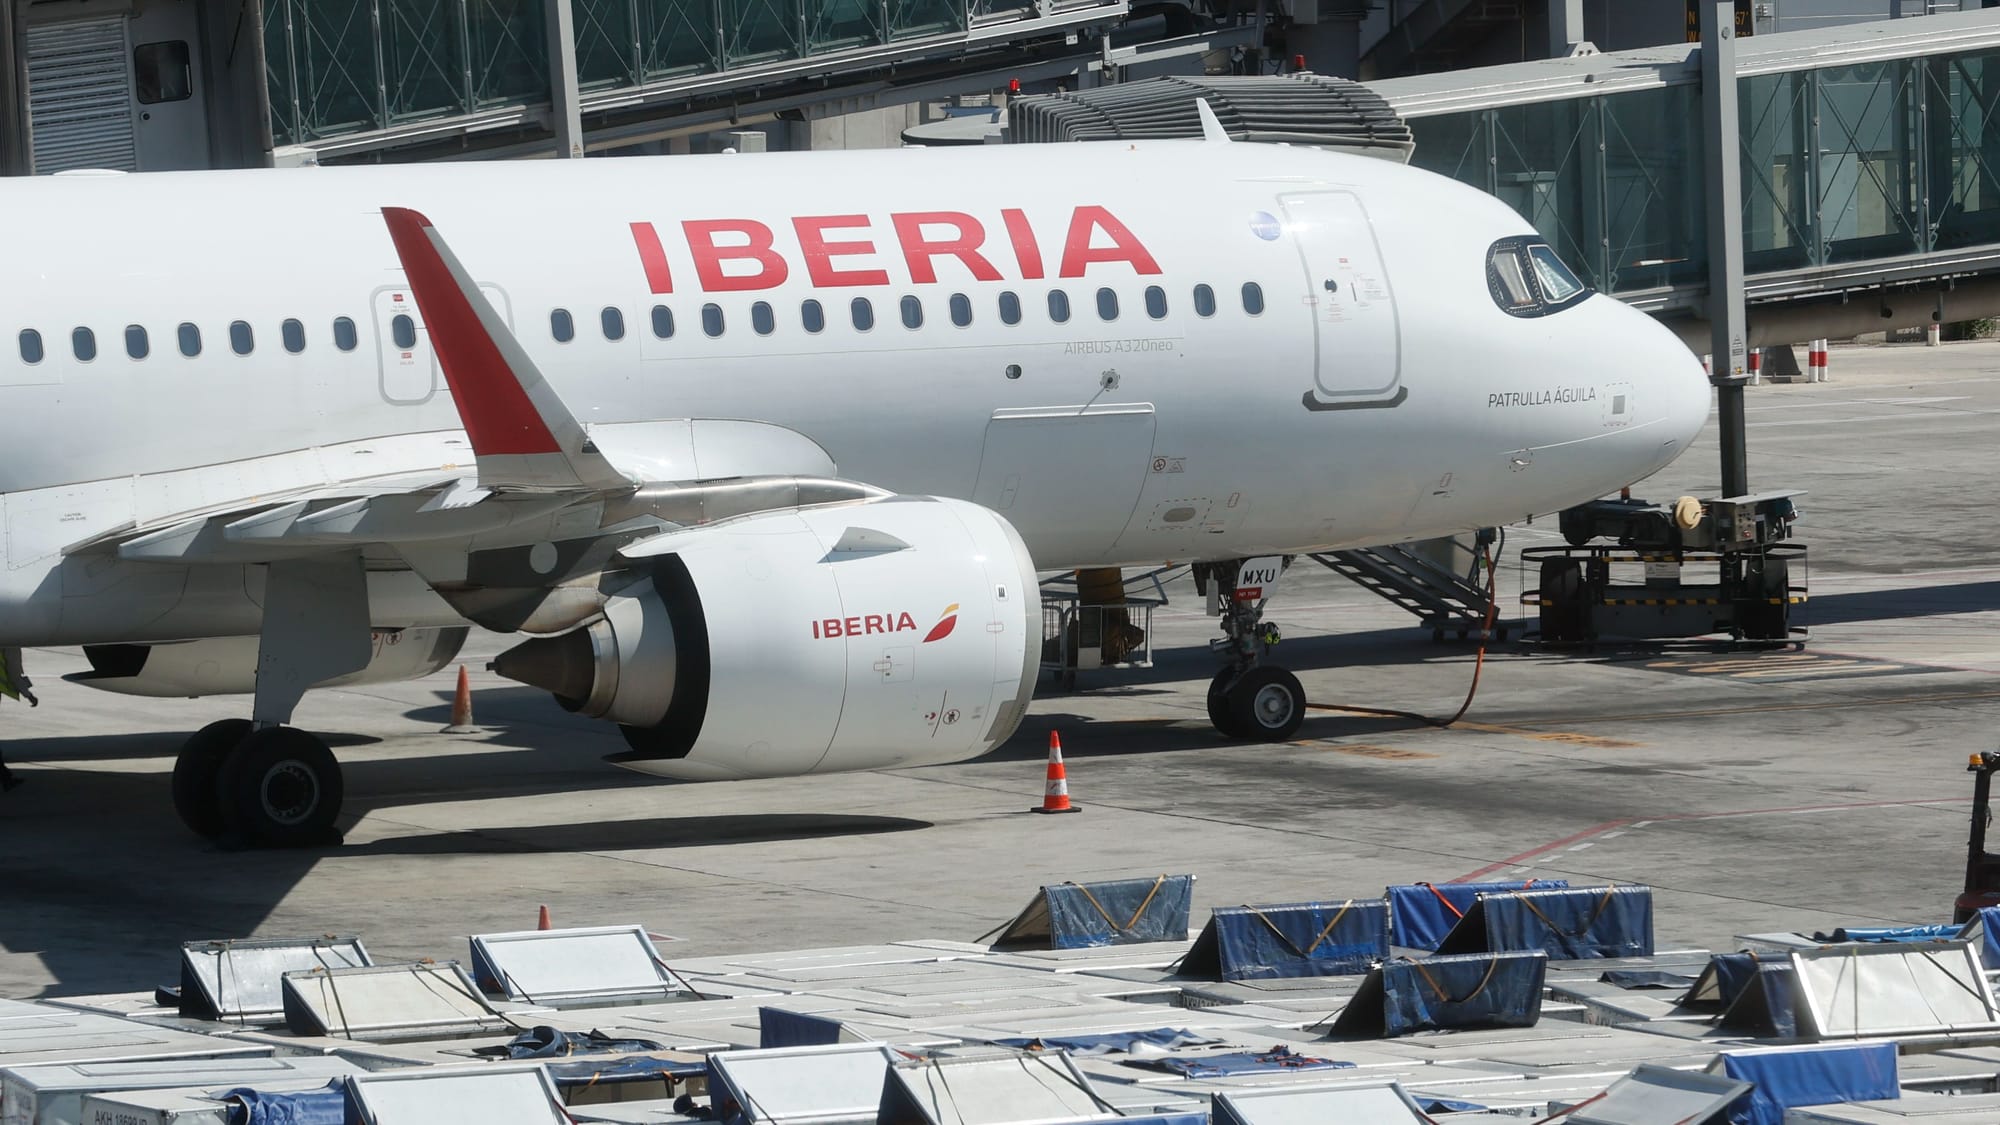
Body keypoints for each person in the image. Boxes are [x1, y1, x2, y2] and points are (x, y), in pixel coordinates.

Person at [0, 647, 35, 793]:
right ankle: (6, 778)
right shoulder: (10, 642)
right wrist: (28, 694)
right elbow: (14, 673)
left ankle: (6, 778)